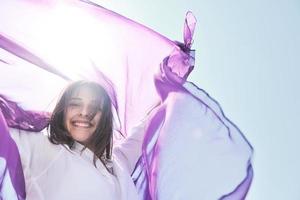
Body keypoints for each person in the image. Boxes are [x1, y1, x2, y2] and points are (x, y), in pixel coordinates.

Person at [9, 80, 147, 200]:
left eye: (94, 107)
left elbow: (146, 128)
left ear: (104, 118)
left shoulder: (118, 163)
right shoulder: (43, 146)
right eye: (75, 104)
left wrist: (167, 82)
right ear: (63, 111)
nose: (85, 112)